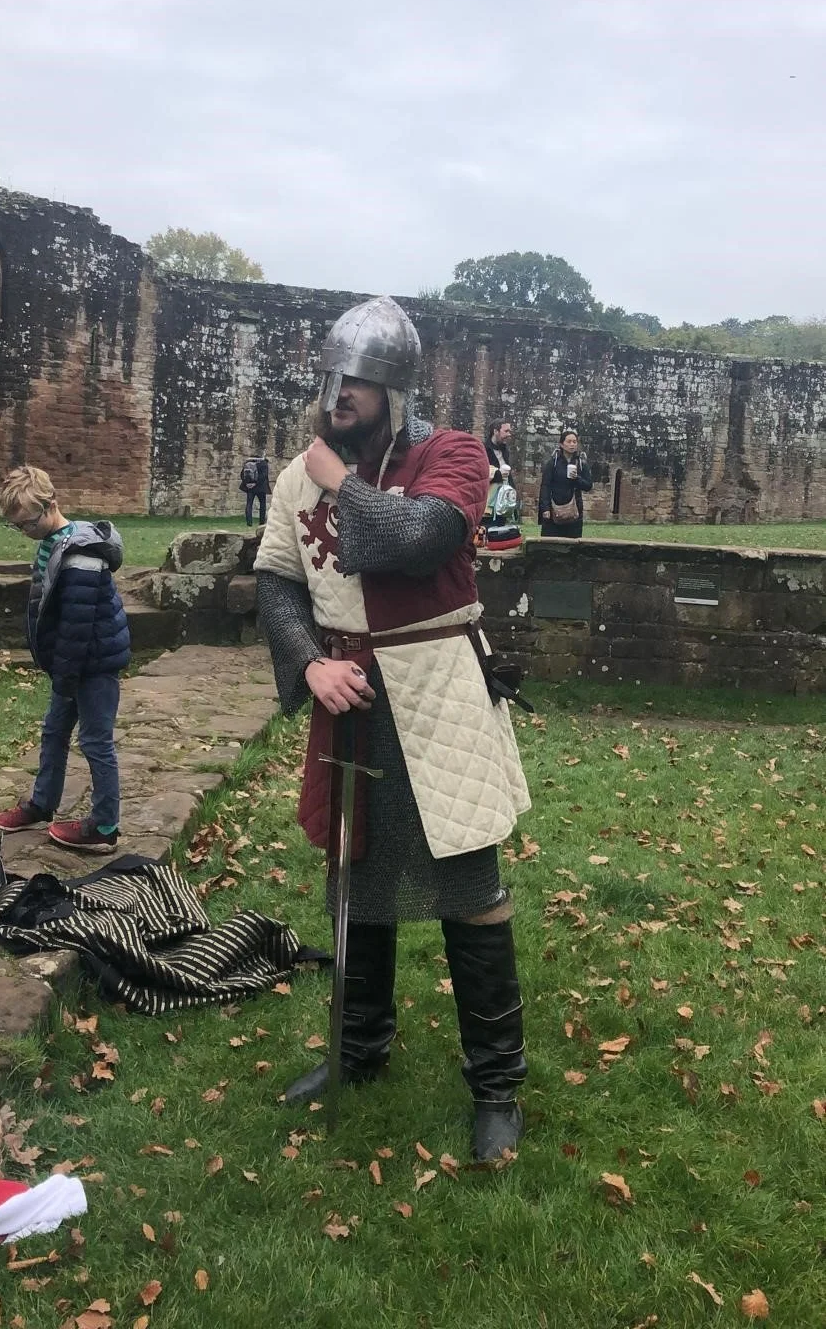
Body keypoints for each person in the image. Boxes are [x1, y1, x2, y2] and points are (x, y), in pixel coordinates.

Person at [254, 295, 531, 1161]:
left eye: (362, 382)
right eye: (336, 378)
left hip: (437, 688)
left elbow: (417, 538)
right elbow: (276, 581)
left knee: (470, 893)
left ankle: (496, 1088)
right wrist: (307, 664)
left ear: (395, 389)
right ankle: (358, 1050)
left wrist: (342, 482)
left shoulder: (452, 453)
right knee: (355, 879)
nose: (343, 394)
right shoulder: (296, 473)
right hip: (351, 694)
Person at [0, 465, 131, 852]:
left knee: (96, 741)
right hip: (68, 663)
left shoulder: (81, 553)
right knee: (53, 732)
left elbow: (77, 626)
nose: (24, 533)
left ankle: (104, 828)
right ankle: (42, 803)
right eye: (15, 527)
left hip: (93, 663)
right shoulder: (53, 541)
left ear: (51, 505)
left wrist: (65, 674)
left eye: (26, 524)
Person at [538, 428, 592, 538]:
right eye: (569, 442)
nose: (572, 444)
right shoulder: (553, 463)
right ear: (561, 444)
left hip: (574, 511)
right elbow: (545, 486)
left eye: (574, 442)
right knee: (550, 544)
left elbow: (588, 486)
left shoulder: (581, 463)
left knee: (572, 545)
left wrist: (576, 478)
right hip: (554, 510)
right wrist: (545, 508)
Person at [239, 455, 270, 526]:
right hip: (261, 487)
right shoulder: (263, 462)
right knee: (262, 504)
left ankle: (249, 522)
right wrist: (256, 483)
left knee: (249, 504)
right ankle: (261, 522)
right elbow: (264, 475)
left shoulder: (248, 462)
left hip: (250, 487)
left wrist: (247, 483)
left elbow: (242, 474)